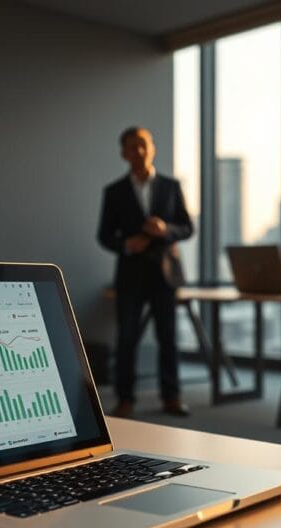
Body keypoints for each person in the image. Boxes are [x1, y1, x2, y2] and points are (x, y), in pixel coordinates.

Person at [97, 127, 194, 418]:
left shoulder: (171, 186)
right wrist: (126, 245)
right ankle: (125, 398)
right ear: (123, 153)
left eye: (143, 144)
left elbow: (187, 227)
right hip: (130, 275)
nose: (138, 151)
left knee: (168, 337)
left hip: (165, 275)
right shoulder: (114, 191)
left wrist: (166, 229)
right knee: (127, 338)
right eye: (132, 146)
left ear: (152, 147)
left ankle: (171, 397)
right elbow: (104, 235)